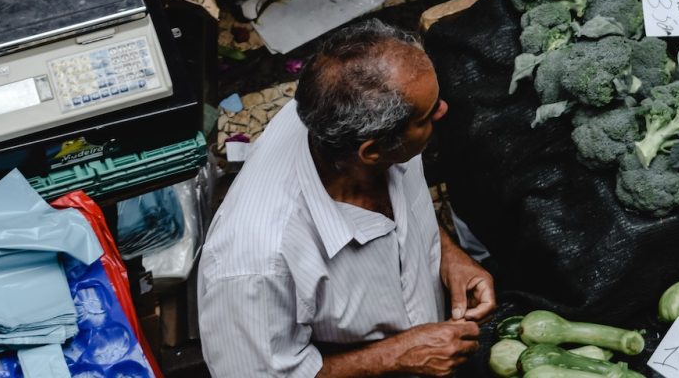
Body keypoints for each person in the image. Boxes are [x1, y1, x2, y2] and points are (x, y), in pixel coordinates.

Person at [198, 19, 496, 377]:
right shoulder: (254, 265)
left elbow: (406, 202)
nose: (443, 110)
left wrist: (448, 255)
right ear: (371, 151)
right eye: (427, 115)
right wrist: (396, 356)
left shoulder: (360, 121)